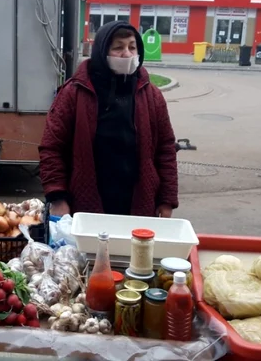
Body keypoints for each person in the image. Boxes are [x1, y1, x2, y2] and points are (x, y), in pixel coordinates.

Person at [39, 21, 178, 218]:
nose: (127, 54)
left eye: (132, 47)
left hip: (139, 203)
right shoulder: (75, 92)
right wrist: (58, 197)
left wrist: (167, 200)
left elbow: (165, 149)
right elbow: (52, 148)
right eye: (118, 47)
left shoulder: (151, 95)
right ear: (102, 51)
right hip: (85, 202)